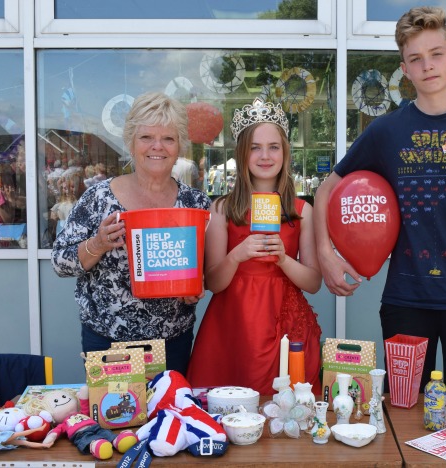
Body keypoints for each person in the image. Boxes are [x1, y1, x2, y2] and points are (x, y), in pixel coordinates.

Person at [313, 6, 446, 392]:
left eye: (436, 54)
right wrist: (326, 254)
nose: (428, 66)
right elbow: (326, 189)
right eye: (415, 59)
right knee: (404, 411)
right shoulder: (386, 131)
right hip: (407, 298)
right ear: (404, 70)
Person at [51, 91, 211, 374]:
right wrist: (98, 244)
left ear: (179, 146)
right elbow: (60, 262)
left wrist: (196, 286)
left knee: (168, 417)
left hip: (172, 344)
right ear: (131, 142)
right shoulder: (99, 198)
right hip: (108, 343)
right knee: (115, 417)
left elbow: (205, 270)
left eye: (168, 138)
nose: (157, 147)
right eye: (146, 137)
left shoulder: (194, 204)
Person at [187, 99, 322, 395]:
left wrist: (284, 259)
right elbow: (213, 283)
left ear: (285, 153)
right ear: (242, 153)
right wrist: (237, 255)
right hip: (232, 326)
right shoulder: (222, 208)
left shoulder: (302, 210)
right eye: (255, 147)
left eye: (273, 147)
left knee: (284, 408)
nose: (265, 155)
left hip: (282, 325)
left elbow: (313, 283)